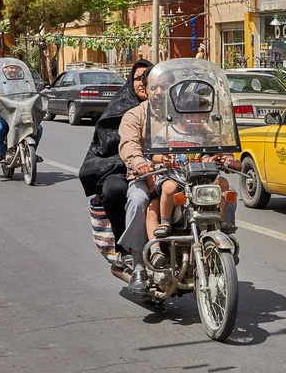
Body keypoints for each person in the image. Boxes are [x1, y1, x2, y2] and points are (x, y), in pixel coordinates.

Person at [118, 69, 241, 293]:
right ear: (145, 89)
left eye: (163, 86)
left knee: (226, 191)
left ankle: (224, 241)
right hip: (150, 174)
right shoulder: (135, 115)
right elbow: (129, 146)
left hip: (187, 175)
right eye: (154, 87)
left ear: (172, 89)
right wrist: (141, 163)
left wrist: (226, 157)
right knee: (138, 201)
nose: (158, 91)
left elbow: (212, 138)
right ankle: (138, 264)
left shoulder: (185, 112)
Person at [78, 59, 154, 248]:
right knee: (114, 191)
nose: (142, 83)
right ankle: (124, 248)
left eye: (148, 78)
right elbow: (114, 144)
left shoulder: (169, 108)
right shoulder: (121, 109)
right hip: (118, 167)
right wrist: (136, 162)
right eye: (137, 78)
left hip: (160, 169)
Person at [0, 63, 44, 164]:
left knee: (39, 129)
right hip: (6, 114)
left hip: (23, 113)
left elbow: (32, 94)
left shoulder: (25, 82)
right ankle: (0, 153)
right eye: (11, 68)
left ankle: (32, 153)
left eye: (15, 68)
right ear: (5, 69)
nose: (13, 70)